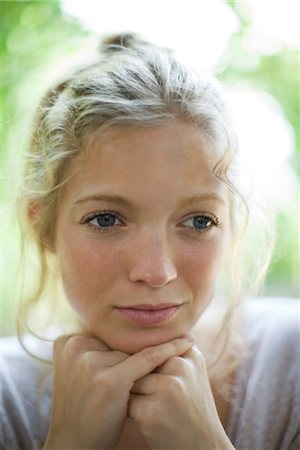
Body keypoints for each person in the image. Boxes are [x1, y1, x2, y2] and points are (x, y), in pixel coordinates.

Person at [0, 33, 299, 450]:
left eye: (198, 221)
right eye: (106, 219)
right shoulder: (6, 400)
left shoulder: (292, 365)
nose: (156, 272)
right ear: (43, 227)